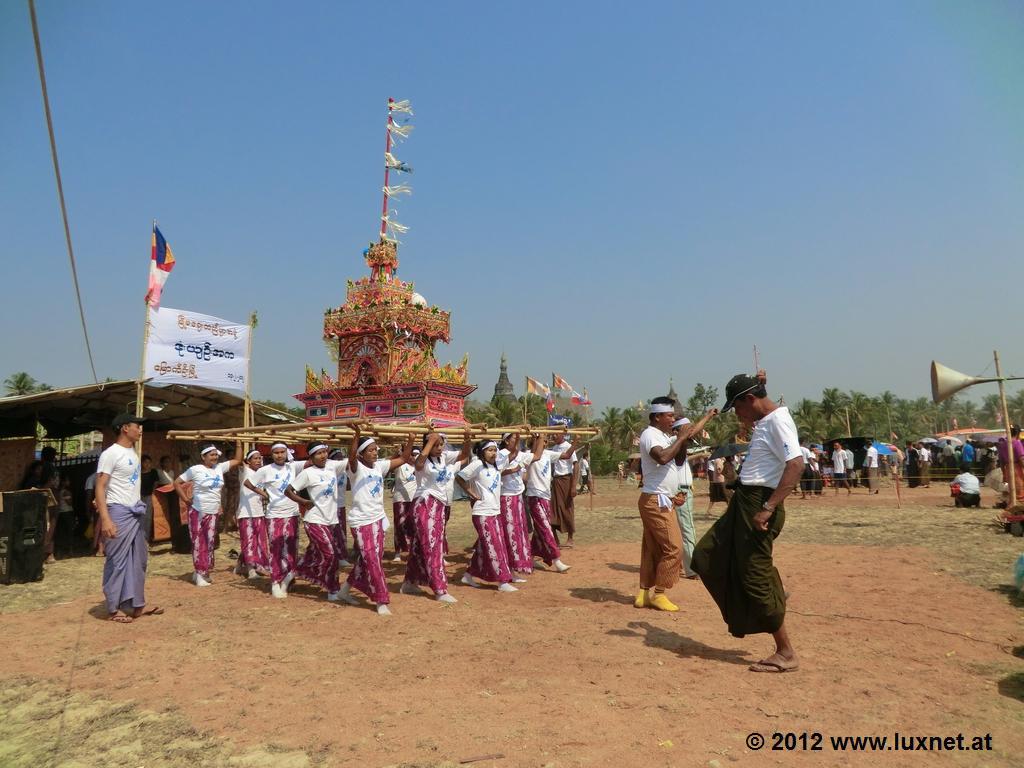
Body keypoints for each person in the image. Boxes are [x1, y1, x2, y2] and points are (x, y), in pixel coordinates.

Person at [692, 372, 803, 673]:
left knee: (753, 578)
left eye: (737, 407)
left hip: (758, 504)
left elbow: (796, 464)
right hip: (745, 501)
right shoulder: (765, 421)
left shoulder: (778, 421)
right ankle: (773, 594)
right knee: (704, 555)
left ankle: (786, 651)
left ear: (750, 400)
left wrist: (768, 507)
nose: (737, 414)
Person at [635, 398, 716, 612]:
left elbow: (678, 458)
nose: (673, 419)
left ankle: (644, 593)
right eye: (669, 415)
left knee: (652, 548)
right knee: (674, 548)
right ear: (657, 417)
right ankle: (659, 593)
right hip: (654, 499)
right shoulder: (650, 435)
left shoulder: (664, 436)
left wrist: (687, 434)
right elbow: (662, 457)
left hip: (663, 499)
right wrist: (680, 437)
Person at [338, 428, 414, 614]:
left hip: (378, 519)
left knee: (370, 559)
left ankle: (344, 590)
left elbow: (403, 459)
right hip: (361, 521)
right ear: (362, 453)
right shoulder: (355, 468)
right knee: (372, 560)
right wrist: (356, 434)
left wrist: (411, 439)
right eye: (370, 450)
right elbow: (351, 456)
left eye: (375, 449)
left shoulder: (379, 466)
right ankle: (381, 599)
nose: (374, 452)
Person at [95, 413, 162, 623]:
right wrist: (105, 519)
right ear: (125, 428)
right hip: (118, 512)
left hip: (135, 513)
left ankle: (135, 604)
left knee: (138, 559)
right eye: (137, 426)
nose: (140, 429)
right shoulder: (110, 454)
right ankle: (114, 609)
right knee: (117, 560)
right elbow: (100, 486)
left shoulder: (133, 452)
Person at [402, 430, 470, 602]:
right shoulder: (423, 460)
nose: (440, 448)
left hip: (439, 505)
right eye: (436, 444)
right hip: (424, 504)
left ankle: (409, 582)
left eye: (441, 444)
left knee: (419, 546)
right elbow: (418, 464)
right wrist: (429, 442)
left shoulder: (443, 458)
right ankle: (440, 588)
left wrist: (467, 438)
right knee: (432, 546)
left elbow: (464, 454)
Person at [285, 442, 350, 602]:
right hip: (314, 520)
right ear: (311, 457)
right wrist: (303, 501)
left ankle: (290, 575)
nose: (323, 456)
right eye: (318, 453)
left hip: (330, 521)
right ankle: (332, 590)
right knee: (331, 555)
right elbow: (288, 490)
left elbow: (353, 459)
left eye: (324, 452)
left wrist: (355, 438)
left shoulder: (332, 467)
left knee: (311, 555)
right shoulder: (308, 473)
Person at [174, 444, 244, 587]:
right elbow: (177, 483)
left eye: (216, 455)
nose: (215, 457)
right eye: (211, 455)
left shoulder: (219, 468)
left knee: (210, 543)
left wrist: (238, 442)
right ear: (203, 457)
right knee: (199, 543)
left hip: (213, 512)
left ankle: (201, 571)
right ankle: (200, 573)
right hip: (198, 511)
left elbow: (237, 460)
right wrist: (186, 499)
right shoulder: (195, 470)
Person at [244, 443, 308, 598]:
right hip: (274, 516)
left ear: (287, 453)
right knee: (276, 550)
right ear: (271, 455)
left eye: (282, 452)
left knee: (291, 549)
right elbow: (248, 483)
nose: (279, 455)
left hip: (292, 514)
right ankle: (275, 582)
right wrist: (265, 494)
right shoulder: (265, 470)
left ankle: (288, 579)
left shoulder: (293, 467)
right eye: (276, 453)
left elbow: (311, 461)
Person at [457, 440, 519, 592]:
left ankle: (468, 575)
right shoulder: (477, 464)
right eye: (490, 450)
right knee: (495, 546)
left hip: (495, 512)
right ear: (482, 452)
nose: (493, 453)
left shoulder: (497, 466)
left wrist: (516, 438)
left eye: (495, 450)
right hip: (482, 512)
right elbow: (459, 477)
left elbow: (513, 452)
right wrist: (471, 493)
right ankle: (502, 581)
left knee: (484, 546)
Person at [670, 414, 716, 580]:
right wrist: (707, 416)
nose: (691, 432)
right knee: (687, 531)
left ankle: (679, 564)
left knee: (679, 530)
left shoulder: (675, 444)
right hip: (681, 492)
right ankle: (691, 569)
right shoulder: (675, 442)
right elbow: (692, 432)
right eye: (686, 428)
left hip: (679, 490)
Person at [524, 433, 575, 573]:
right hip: (534, 496)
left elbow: (566, 455)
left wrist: (575, 442)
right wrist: (538, 438)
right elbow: (535, 453)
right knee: (546, 528)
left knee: (541, 529)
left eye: (545, 440)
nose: (545, 442)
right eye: (542, 440)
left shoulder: (548, 454)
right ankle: (556, 560)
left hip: (546, 496)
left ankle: (530, 557)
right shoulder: (529, 455)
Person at [496, 431, 533, 577]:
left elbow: (536, 456)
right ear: (506, 441)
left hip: (517, 496)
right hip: (507, 496)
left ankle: (518, 564)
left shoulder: (519, 453)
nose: (516, 441)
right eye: (513, 438)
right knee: (509, 532)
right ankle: (510, 566)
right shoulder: (501, 453)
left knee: (519, 530)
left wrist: (540, 438)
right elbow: (498, 471)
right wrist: (514, 469)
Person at [235, 449, 270, 579]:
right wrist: (239, 443)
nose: (258, 460)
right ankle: (251, 570)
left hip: (259, 512)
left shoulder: (261, 474)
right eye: (254, 458)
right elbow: (238, 461)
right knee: (249, 541)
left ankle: (240, 564)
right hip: (246, 513)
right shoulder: (245, 471)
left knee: (259, 541)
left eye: (259, 458)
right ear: (248, 461)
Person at [549, 431, 580, 548]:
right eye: (553, 434)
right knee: (553, 509)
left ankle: (570, 538)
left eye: (556, 434)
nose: (553, 436)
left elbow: (576, 465)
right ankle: (555, 539)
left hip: (566, 480)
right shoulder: (553, 448)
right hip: (555, 481)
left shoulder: (568, 446)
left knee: (567, 508)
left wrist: (573, 486)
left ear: (562, 435)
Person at [390, 448, 420, 562]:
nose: (414, 457)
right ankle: (398, 552)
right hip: (400, 500)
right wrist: (397, 453)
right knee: (399, 526)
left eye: (417, 455)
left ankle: (412, 550)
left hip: (414, 500)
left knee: (414, 526)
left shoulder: (419, 467)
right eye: (413, 454)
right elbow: (390, 462)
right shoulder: (400, 465)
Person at [997, 426, 1024, 504]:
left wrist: (1004, 473)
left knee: (1012, 490)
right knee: (1020, 491)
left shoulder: (1002, 445)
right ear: (1018, 433)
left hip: (1008, 468)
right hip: (1017, 468)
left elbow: (1001, 462)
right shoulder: (1017, 443)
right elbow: (1021, 459)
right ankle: (1019, 509)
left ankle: (1013, 506)